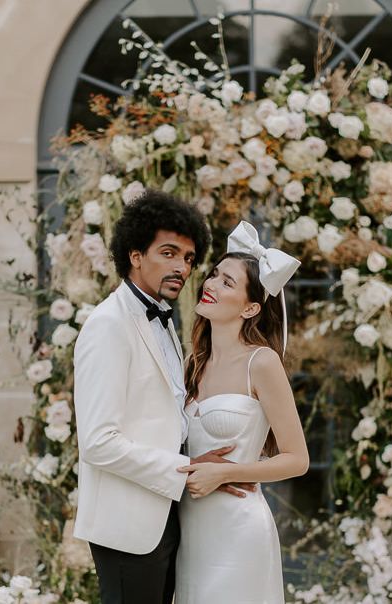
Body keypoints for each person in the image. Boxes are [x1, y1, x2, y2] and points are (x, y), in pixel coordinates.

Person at [72, 190, 253, 604]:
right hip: (128, 526)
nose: (181, 267)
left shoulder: (163, 320)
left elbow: (168, 414)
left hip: (166, 514)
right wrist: (187, 468)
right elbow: (98, 443)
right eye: (169, 253)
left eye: (189, 258)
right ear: (135, 255)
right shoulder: (108, 325)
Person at [175, 220, 310, 604]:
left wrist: (227, 472)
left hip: (238, 531)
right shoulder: (191, 362)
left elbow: (297, 460)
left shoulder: (261, 363)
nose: (211, 285)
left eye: (227, 282)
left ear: (251, 307)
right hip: (190, 529)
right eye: (214, 275)